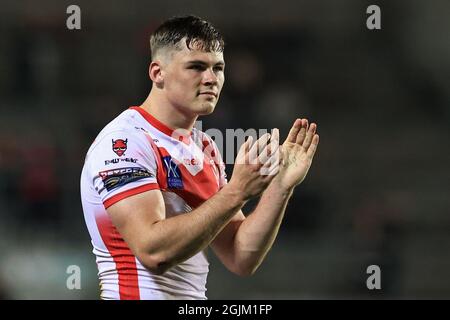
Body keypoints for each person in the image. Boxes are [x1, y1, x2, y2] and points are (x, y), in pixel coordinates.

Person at [80, 15, 319, 300]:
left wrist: (280, 187)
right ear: (158, 73)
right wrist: (237, 191)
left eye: (218, 68)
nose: (211, 79)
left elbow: (240, 256)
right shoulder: (124, 142)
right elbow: (153, 251)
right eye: (196, 67)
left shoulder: (203, 146)